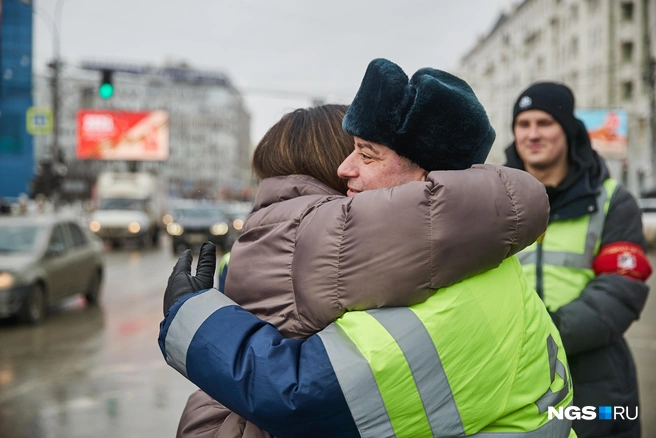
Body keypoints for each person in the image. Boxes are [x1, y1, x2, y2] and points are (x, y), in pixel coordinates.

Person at [161, 60, 574, 437]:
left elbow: (303, 396)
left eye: (367, 154)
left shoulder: (449, 293)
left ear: (429, 182)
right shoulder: (447, 264)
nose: (345, 168)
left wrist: (194, 316)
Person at [506, 82, 651, 438]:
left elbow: (619, 291)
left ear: (569, 130)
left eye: (544, 123)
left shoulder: (612, 199)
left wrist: (543, 336)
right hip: (511, 375)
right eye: (523, 124)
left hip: (595, 377)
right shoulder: (495, 200)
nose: (532, 134)